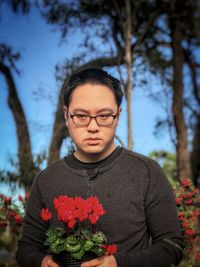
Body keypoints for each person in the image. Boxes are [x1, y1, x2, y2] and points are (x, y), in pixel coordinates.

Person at [16, 68, 183, 267]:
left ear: (118, 115)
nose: (93, 127)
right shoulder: (46, 180)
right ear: (66, 115)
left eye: (104, 116)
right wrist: (40, 261)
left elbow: (172, 246)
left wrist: (121, 263)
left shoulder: (146, 171)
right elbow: (26, 249)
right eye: (81, 116)